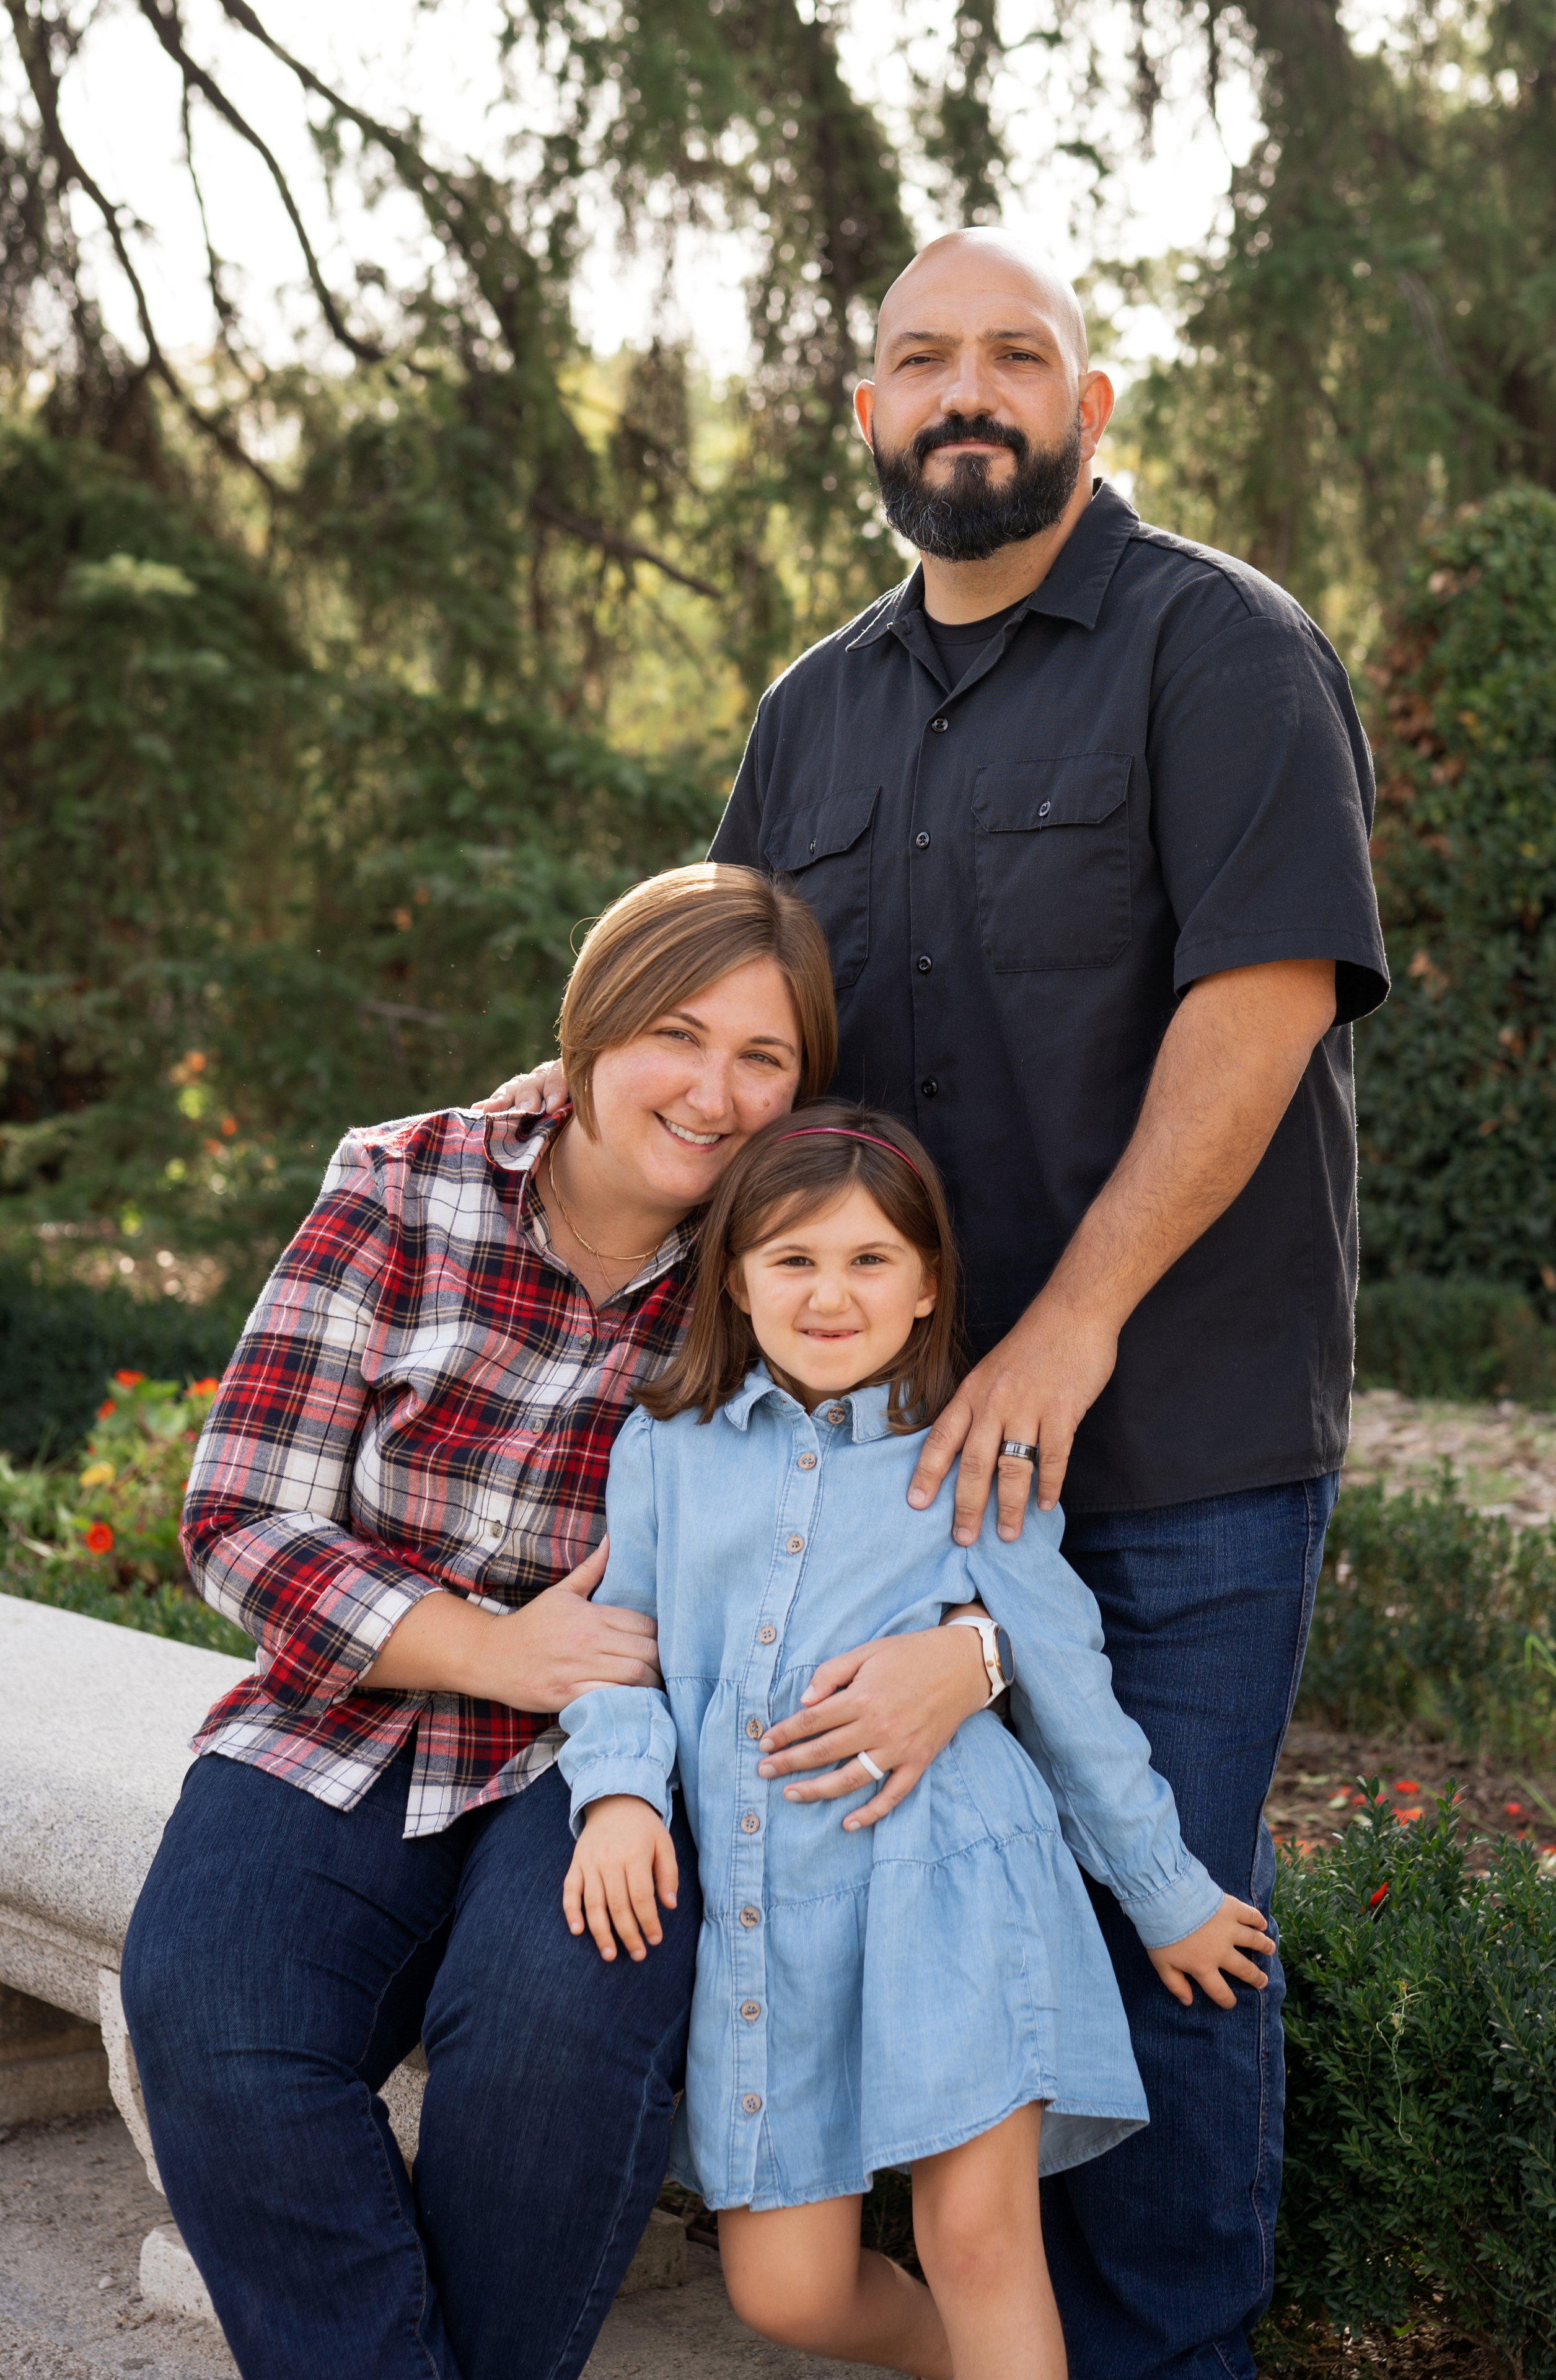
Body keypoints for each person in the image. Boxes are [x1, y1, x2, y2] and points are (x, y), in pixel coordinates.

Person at [480, 229, 1390, 2378]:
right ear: (871, 419)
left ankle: (1169, 2355)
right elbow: (725, 1006)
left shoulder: (1222, 650)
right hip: (870, 1466)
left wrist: (1066, 1325)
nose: (965, 388)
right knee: (913, 1875)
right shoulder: (817, 709)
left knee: (1146, 1892)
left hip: (1168, 1433)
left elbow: (1259, 1010)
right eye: (919, 360)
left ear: (1091, 408)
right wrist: (586, 1071)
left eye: (1017, 356)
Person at [118, 865, 1000, 2380]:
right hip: (356, 1709)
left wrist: (973, 1649)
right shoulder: (404, 1184)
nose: (714, 1094)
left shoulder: (791, 1253)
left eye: (763, 1057)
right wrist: (491, 1647)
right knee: (214, 2011)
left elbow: (924, 1505)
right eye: (673, 1034)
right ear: (589, 1031)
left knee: (559, 2031)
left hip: (616, 1768)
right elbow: (239, 1516)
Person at [556, 1103, 1276, 2380]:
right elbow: (620, 1650)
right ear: (734, 1274)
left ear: (926, 1280)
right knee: (784, 2291)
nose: (829, 1294)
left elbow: (1067, 1686)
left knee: (982, 2241)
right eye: (792, 1259)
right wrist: (616, 1797)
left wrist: (1166, 1897)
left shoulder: (968, 1459)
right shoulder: (663, 1453)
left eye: (867, 1260)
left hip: (951, 1896)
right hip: (766, 1924)